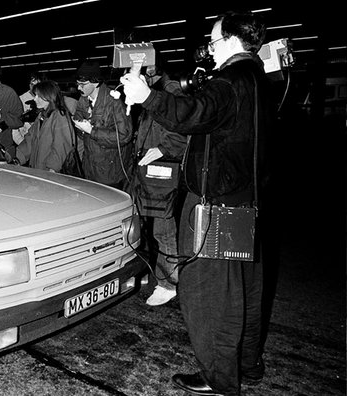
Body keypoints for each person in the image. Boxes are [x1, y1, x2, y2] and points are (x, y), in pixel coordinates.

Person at [121, 11, 271, 395]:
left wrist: (147, 97)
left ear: (233, 42)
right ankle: (247, 364)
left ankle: (220, 379)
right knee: (244, 287)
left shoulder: (230, 81)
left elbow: (192, 113)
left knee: (208, 296)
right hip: (247, 199)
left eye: (214, 40)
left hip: (215, 205)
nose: (210, 48)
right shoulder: (261, 77)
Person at [133, 64, 187, 307]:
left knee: (163, 229)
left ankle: (168, 284)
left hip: (162, 167)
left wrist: (162, 149)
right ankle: (153, 270)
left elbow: (182, 131)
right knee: (145, 224)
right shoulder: (153, 90)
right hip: (148, 164)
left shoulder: (171, 91)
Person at [72, 61, 134, 191]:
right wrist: (81, 129)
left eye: (82, 84)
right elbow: (80, 131)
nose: (78, 88)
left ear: (95, 82)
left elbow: (124, 136)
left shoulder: (114, 103)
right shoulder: (83, 101)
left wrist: (91, 130)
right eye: (77, 84)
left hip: (109, 172)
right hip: (89, 168)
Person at [15, 80, 74, 172]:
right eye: (35, 95)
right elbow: (30, 139)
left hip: (48, 172)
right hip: (38, 168)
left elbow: (61, 146)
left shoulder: (60, 116)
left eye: (39, 96)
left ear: (49, 97)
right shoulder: (41, 116)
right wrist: (17, 157)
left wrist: (52, 169)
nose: (35, 99)